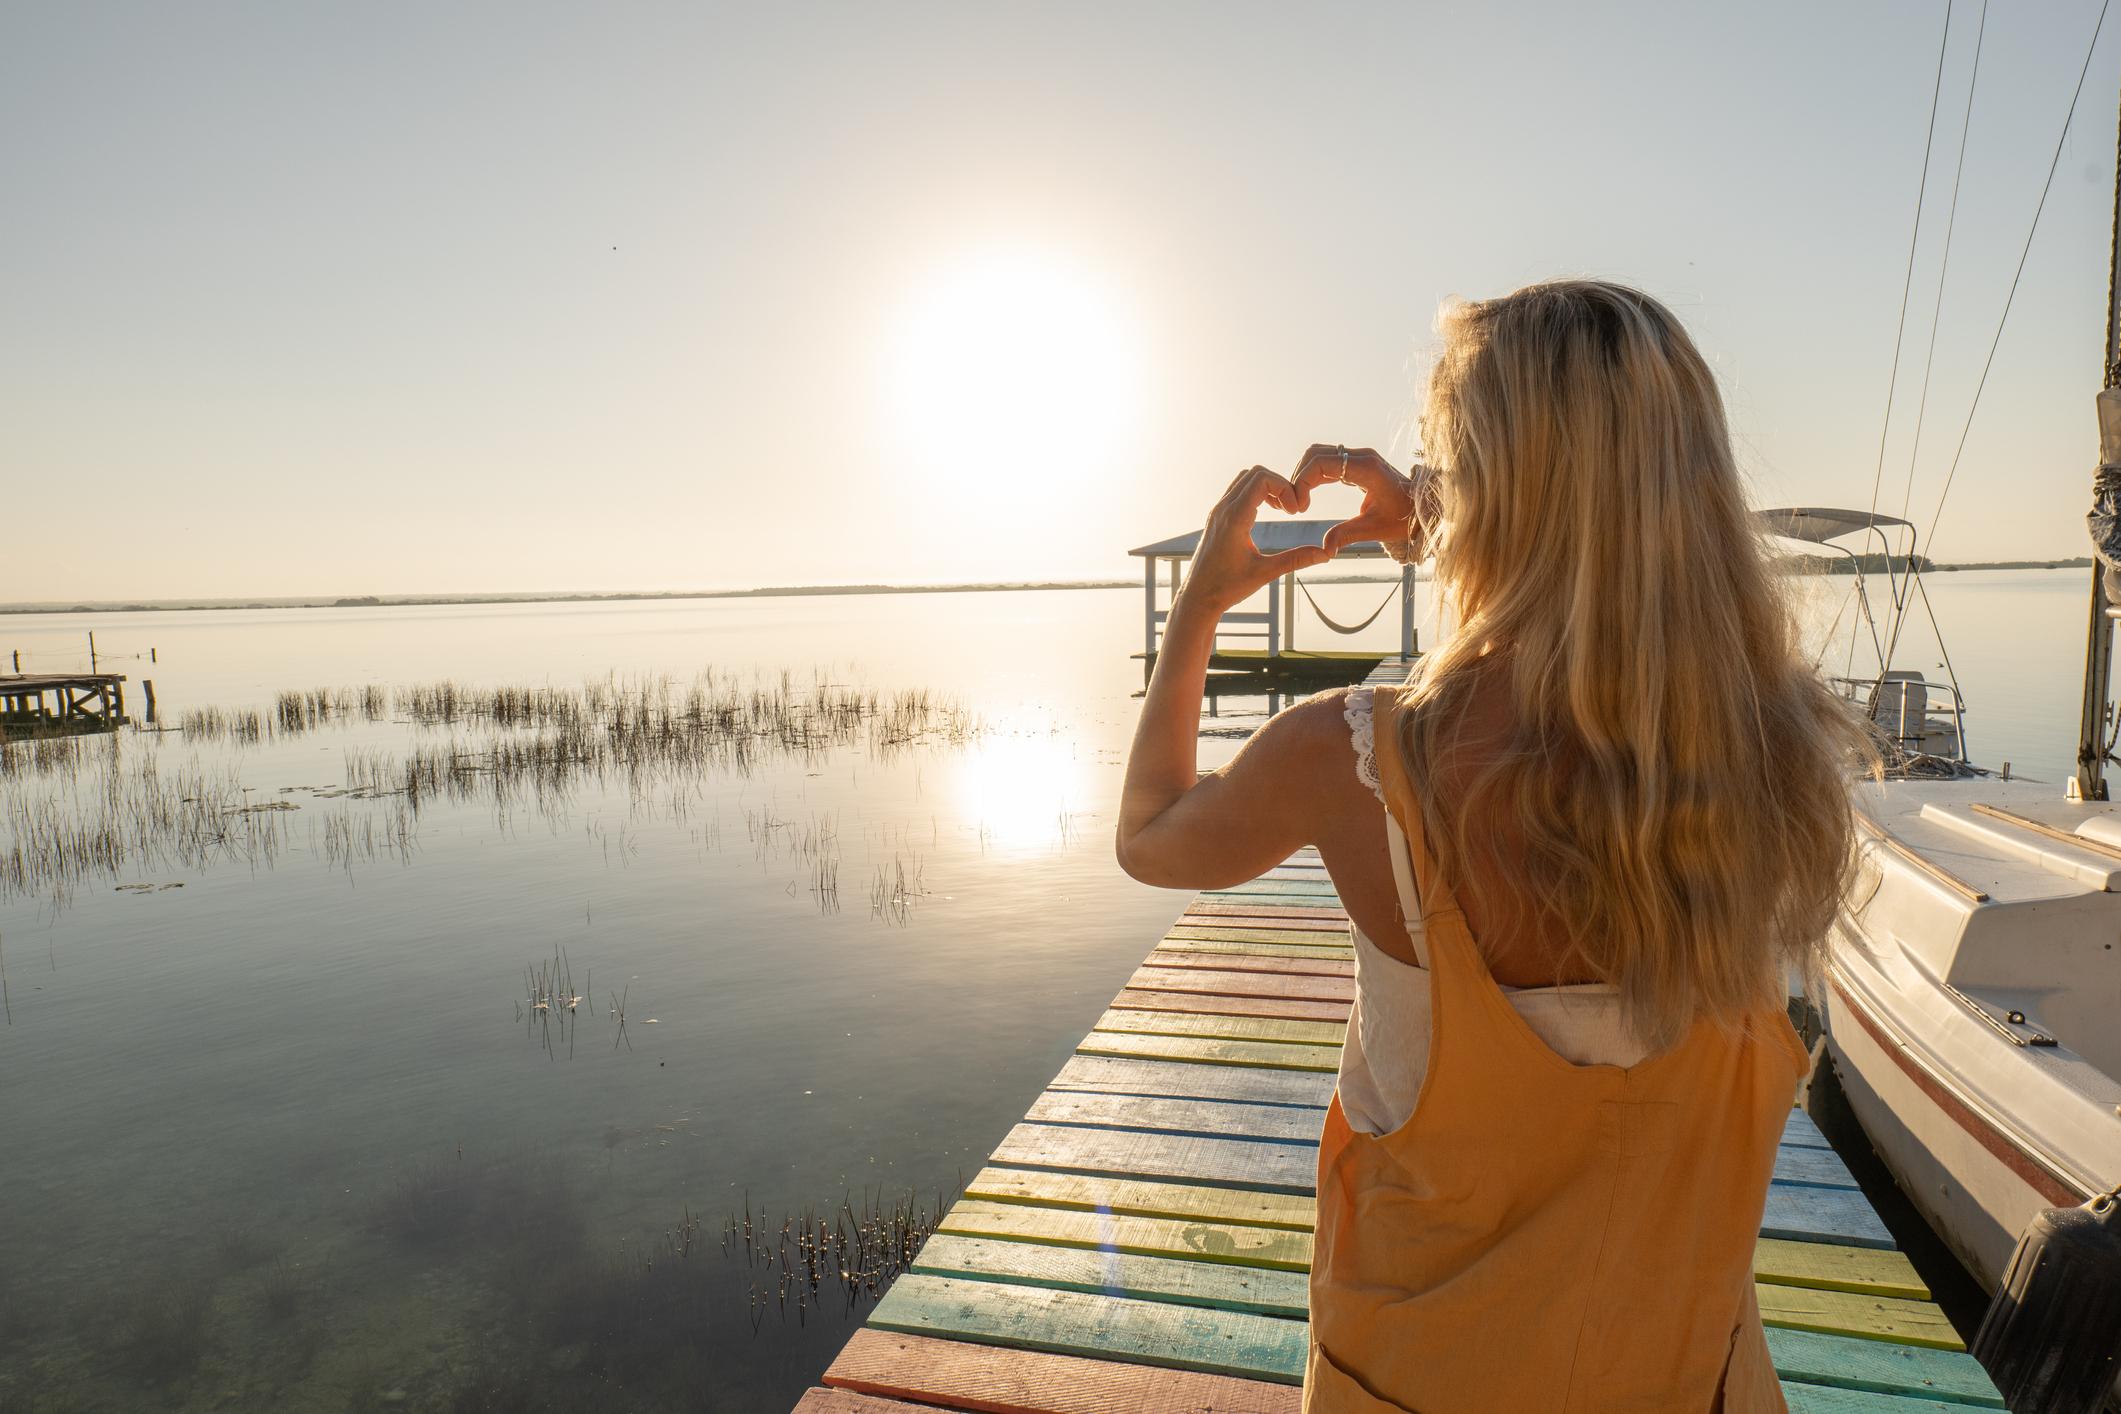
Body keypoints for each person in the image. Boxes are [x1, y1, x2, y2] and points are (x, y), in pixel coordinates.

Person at [1115, 280, 1873, 1412]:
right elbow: (1591, 559)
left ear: (1488, 494)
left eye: (1451, 463)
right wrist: (1440, 509)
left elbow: (1150, 835)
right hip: (1688, 1377)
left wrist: (1203, 606)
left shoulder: (1361, 763)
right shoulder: (1783, 767)